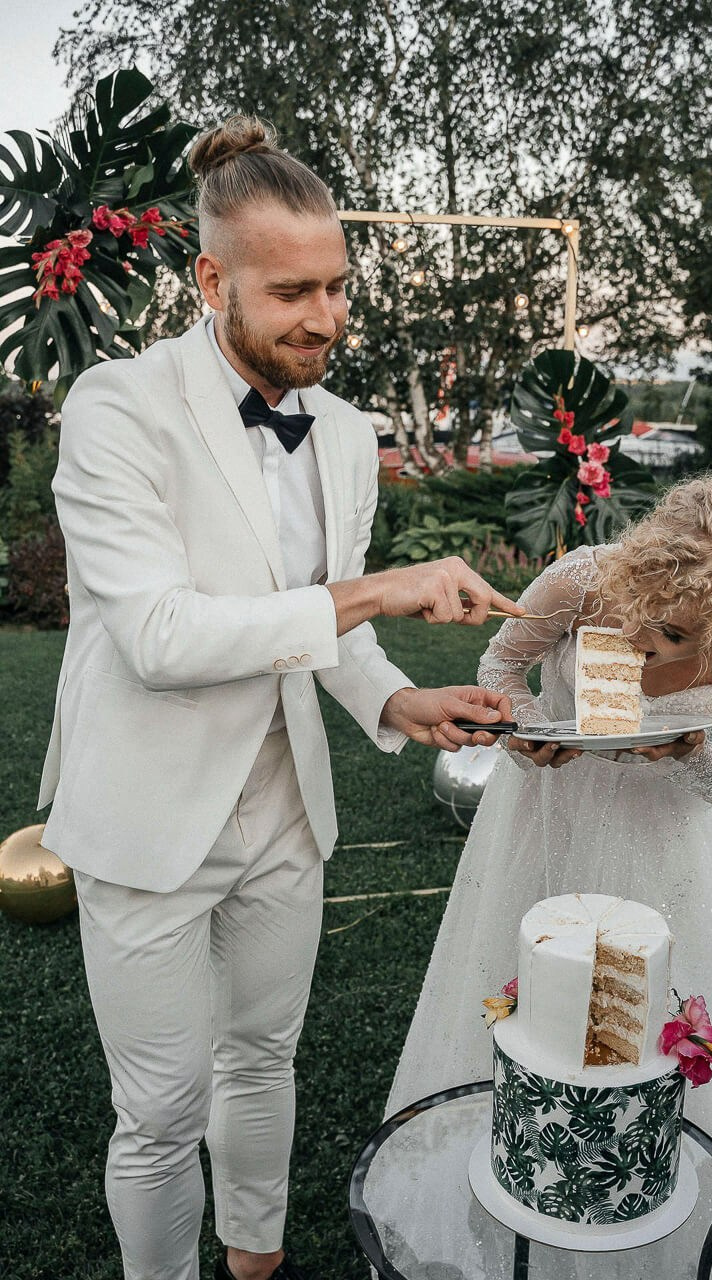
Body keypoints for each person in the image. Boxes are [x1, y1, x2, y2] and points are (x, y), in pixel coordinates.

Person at [36, 116, 523, 1280]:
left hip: (284, 807)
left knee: (262, 1056)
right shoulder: (116, 406)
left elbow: (322, 626)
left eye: (337, 287)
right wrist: (379, 588)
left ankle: (256, 1258)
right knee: (160, 1107)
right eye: (292, 291)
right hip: (148, 811)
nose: (325, 317)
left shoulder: (345, 433)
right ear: (213, 283)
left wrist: (397, 701)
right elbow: (158, 637)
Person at [387, 471, 712, 1279]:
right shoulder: (582, 578)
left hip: (666, 845)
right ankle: (510, 1160)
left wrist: (692, 754)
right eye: (643, 610)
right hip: (543, 817)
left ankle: (630, 1190)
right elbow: (501, 665)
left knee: (636, 1033)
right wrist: (521, 730)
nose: (644, 635)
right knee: (529, 1008)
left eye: (676, 633)